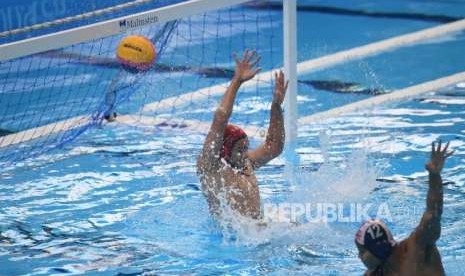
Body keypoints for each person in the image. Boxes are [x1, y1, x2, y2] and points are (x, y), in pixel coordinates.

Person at [197, 50, 288, 219]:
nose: (245, 154)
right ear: (224, 149)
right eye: (240, 150)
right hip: (232, 241)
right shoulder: (211, 166)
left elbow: (274, 147)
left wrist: (276, 107)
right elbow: (220, 118)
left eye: (245, 148)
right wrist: (237, 81)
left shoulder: (244, 162)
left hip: (256, 234)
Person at [355, 141, 453, 275]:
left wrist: (434, 175)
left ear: (375, 249)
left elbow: (433, 213)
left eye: (361, 251)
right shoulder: (376, 273)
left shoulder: (416, 248)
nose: (359, 257)